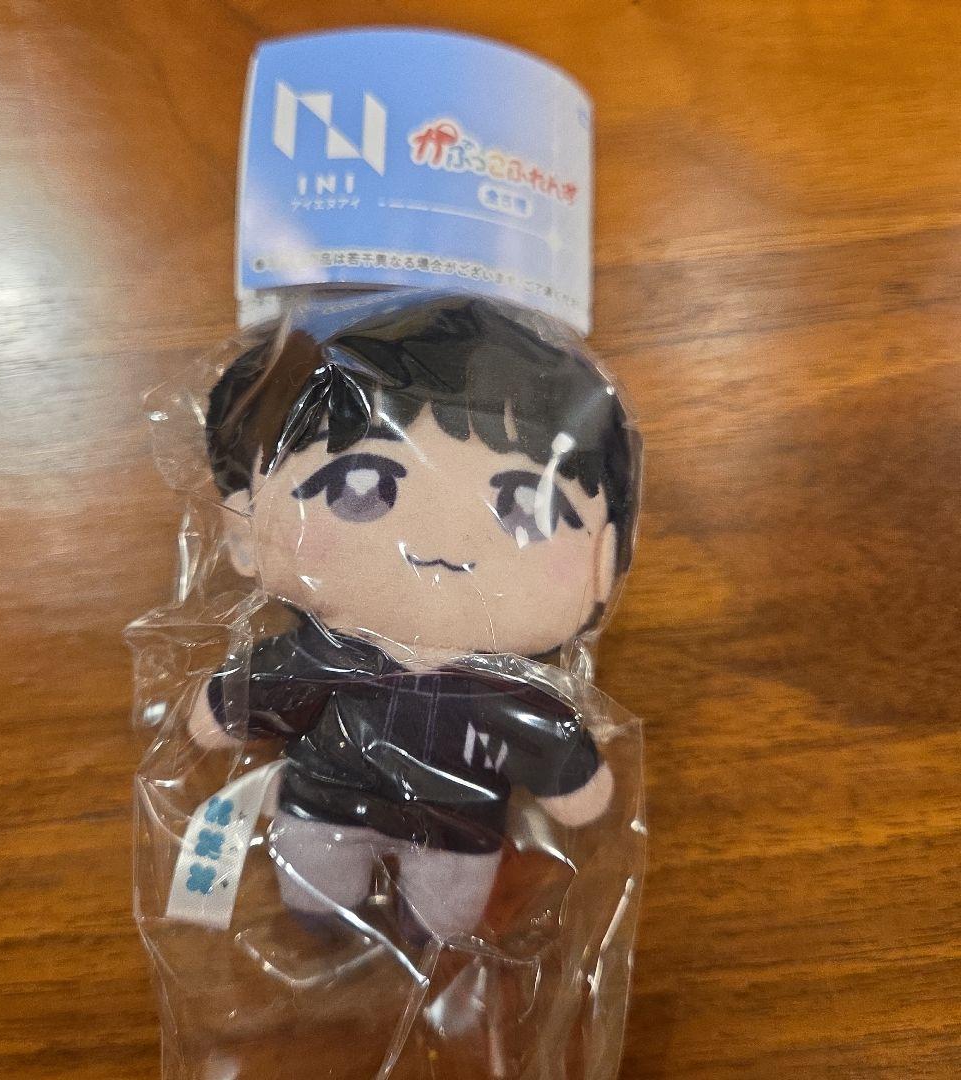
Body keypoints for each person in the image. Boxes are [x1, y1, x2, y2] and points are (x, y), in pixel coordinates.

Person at [187, 292, 641, 941]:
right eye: (361, 485)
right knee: (318, 889)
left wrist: (572, 775)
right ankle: (326, 916)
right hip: (327, 804)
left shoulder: (501, 692)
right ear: (247, 527)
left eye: (523, 506)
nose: (446, 544)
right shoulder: (325, 658)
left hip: (456, 830)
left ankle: (414, 931)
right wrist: (230, 707)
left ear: (604, 559)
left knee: (441, 918)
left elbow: (548, 744)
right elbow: (264, 688)